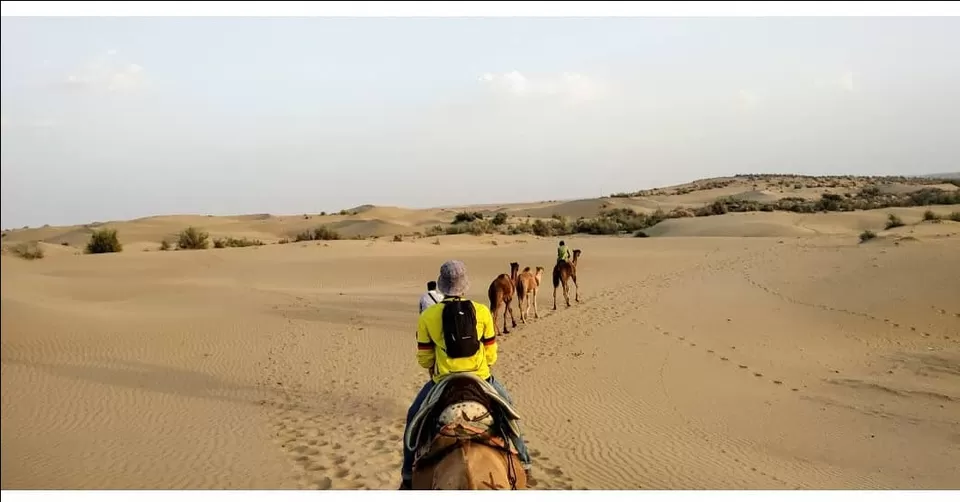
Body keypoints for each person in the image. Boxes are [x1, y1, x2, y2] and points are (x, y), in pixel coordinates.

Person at [400, 260, 532, 489]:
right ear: (464, 286)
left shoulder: (428, 317)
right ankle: (526, 464)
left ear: (442, 286)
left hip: (443, 381)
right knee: (510, 412)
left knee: (413, 416)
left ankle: (408, 477)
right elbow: (491, 355)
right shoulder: (481, 311)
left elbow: (425, 359)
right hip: (481, 378)